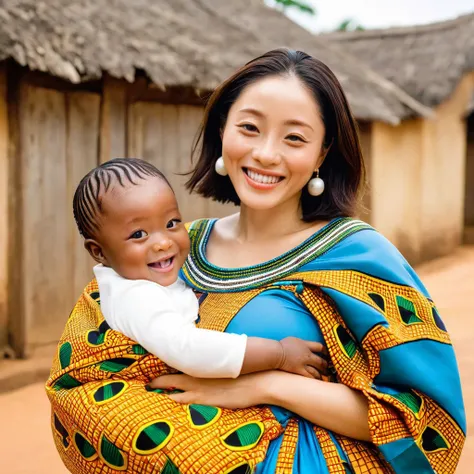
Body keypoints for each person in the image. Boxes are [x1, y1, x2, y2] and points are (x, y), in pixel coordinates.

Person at [46, 49, 465, 474]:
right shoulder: (172, 248)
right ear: (222, 131)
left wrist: (266, 385)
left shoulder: (358, 256)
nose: (266, 153)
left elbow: (424, 421)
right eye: (249, 128)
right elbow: (85, 372)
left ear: (322, 154)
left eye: (294, 138)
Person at [73, 157, 326, 379]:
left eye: (172, 223)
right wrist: (279, 355)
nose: (163, 242)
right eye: (139, 234)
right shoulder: (135, 296)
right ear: (99, 252)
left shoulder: (149, 278)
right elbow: (188, 349)